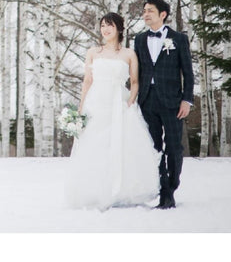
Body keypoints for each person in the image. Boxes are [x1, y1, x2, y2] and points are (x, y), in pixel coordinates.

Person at [64, 12, 160, 210]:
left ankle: (120, 191)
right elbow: (87, 82)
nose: (105, 29)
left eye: (109, 25)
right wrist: (81, 108)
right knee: (95, 145)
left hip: (119, 102)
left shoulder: (128, 54)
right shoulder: (93, 52)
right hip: (96, 102)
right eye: (102, 26)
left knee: (120, 145)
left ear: (118, 29)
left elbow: (134, 82)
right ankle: (97, 190)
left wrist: (130, 101)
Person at [134, 0, 195, 209]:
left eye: (150, 10)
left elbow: (188, 72)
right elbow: (137, 72)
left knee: (174, 147)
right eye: (144, 11)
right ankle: (164, 192)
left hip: (172, 102)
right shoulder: (139, 39)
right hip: (147, 101)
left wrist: (187, 100)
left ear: (163, 14)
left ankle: (173, 183)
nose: (145, 14)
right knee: (153, 148)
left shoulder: (178, 39)